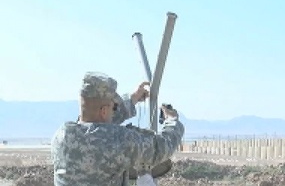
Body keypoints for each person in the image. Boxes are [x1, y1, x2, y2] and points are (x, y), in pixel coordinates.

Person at [51, 71, 185, 186]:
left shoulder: (61, 136)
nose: (115, 110)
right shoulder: (119, 141)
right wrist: (172, 121)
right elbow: (161, 147)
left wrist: (132, 99)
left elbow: (96, 123)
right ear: (104, 111)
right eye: (113, 107)